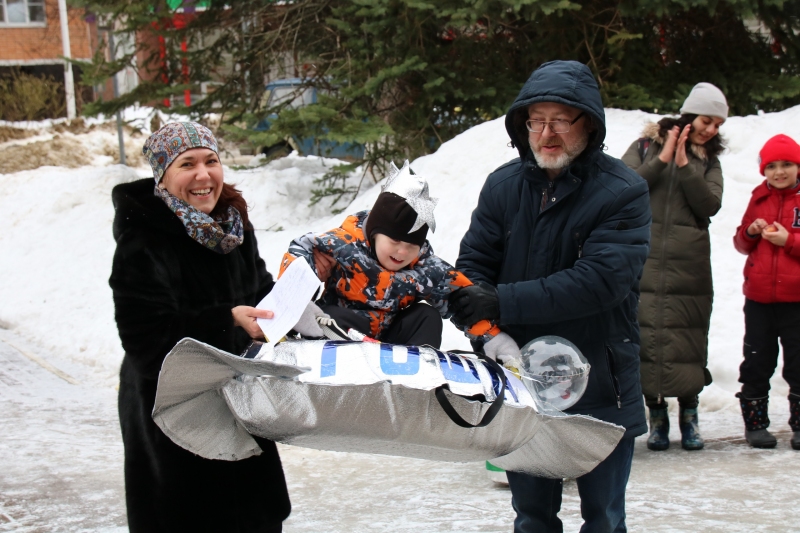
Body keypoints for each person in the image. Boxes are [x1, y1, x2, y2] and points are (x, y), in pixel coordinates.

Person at [450, 60, 651, 533]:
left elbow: (600, 280)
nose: (546, 133)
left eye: (560, 120)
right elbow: (472, 269)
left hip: (600, 383)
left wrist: (501, 301)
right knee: (532, 517)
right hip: (523, 382)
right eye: (536, 121)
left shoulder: (623, 192)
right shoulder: (503, 186)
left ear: (590, 124)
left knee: (604, 519)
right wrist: (486, 330)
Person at [109, 122, 292, 532]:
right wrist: (226, 323)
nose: (203, 174)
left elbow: (258, 290)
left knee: (254, 518)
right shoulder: (144, 240)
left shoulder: (231, 227)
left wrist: (294, 297)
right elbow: (144, 339)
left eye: (211, 161)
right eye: (187, 164)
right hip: (174, 414)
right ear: (163, 176)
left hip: (239, 401)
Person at [282, 161, 520, 356]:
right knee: (331, 315)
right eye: (395, 241)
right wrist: (295, 303)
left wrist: (492, 337)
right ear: (375, 232)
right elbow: (302, 250)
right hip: (343, 334)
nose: (402, 252)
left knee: (427, 317)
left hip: (391, 340)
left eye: (411, 245)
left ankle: (416, 371)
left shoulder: (425, 268)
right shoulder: (343, 245)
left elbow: (460, 297)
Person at [620, 82, 727, 452]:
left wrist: (684, 165)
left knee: (688, 338)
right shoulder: (645, 146)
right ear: (690, 115)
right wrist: (664, 157)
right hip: (643, 256)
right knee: (645, 335)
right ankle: (657, 417)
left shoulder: (709, 160)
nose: (711, 129)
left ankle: (690, 415)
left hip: (689, 262)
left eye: (717, 124)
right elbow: (623, 188)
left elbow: (710, 205)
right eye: (707, 120)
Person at [732, 134, 800, 450]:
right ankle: (756, 424)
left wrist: (789, 241)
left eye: (787, 164)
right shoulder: (758, 199)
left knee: (798, 362)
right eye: (772, 166)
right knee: (757, 361)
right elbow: (740, 243)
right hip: (759, 299)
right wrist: (751, 231)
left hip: (796, 300)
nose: (779, 172)